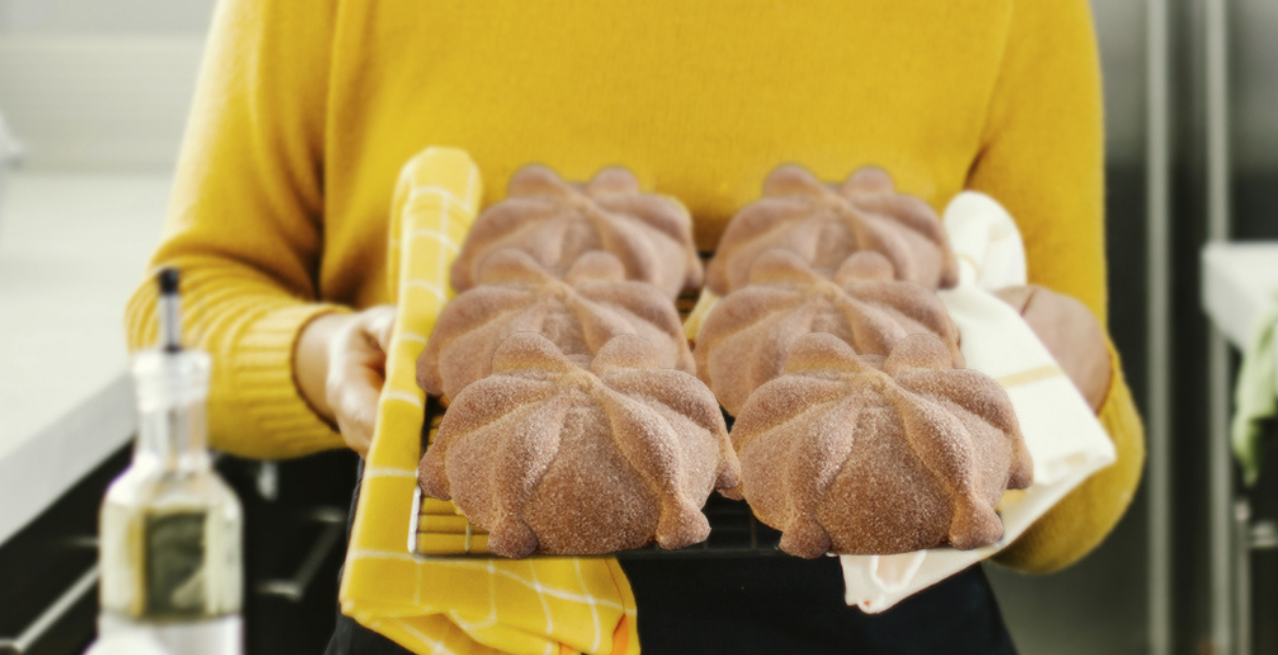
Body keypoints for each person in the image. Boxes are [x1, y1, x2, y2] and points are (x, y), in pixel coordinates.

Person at [125, 0, 1144, 653]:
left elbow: (1068, 509)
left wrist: (1063, 389)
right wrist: (316, 361)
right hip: (455, 610)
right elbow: (187, 303)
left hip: (878, 611)